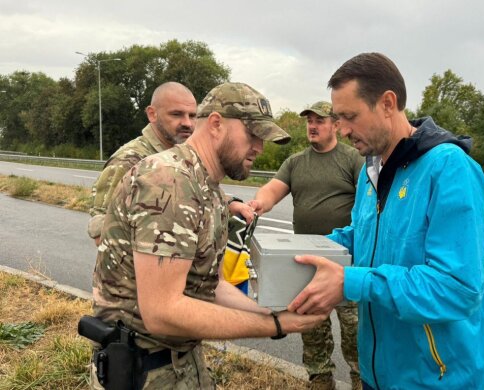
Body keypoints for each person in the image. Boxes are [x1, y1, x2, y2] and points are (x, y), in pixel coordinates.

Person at [90, 82, 327, 389]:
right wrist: (273, 325)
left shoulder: (207, 187)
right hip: (143, 369)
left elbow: (209, 286)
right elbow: (163, 311)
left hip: (179, 362)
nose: (259, 147)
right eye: (253, 135)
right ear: (216, 124)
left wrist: (273, 313)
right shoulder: (169, 182)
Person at [286, 53, 484, 389]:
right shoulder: (372, 171)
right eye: (338, 118)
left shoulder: (449, 167)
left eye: (350, 116)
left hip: (436, 378)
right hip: (377, 374)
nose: (343, 129)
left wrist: (353, 282)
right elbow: (363, 235)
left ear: (387, 103)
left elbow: (458, 288)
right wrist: (302, 252)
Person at [250, 100, 364, 390]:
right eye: (309, 121)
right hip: (303, 263)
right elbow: (273, 189)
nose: (312, 126)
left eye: (320, 120)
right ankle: (320, 380)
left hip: (345, 262)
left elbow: (369, 201)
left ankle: (361, 380)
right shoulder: (296, 162)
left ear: (336, 125)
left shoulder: (352, 158)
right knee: (312, 329)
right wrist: (257, 204)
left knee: (355, 332)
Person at [86, 81, 256, 246]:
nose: (187, 123)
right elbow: (102, 234)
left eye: (192, 115)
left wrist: (229, 204)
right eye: (176, 114)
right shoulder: (130, 160)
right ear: (152, 114)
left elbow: (191, 196)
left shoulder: (187, 156)